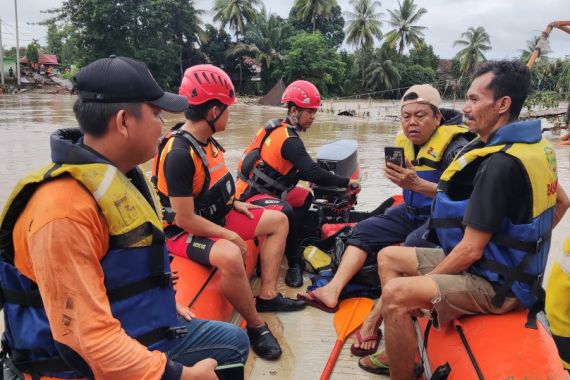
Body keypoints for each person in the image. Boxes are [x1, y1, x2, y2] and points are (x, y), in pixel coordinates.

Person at [0, 56, 249, 380]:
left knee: (234, 340)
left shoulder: (123, 178)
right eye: (157, 114)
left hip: (132, 322)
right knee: (231, 348)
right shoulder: (62, 212)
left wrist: (159, 299)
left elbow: (118, 269)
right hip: (74, 365)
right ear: (123, 122)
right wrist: (183, 375)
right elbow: (87, 341)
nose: (165, 125)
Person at [358, 60, 570, 378]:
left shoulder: (498, 165)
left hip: (496, 286)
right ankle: (398, 351)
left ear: (502, 105)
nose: (464, 108)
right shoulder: (535, 148)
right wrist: (524, 256)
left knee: (396, 293)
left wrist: (422, 292)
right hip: (503, 268)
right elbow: (562, 203)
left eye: (473, 99)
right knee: (388, 256)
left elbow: (470, 250)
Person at [152, 64, 305, 361]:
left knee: (278, 220)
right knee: (230, 254)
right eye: (227, 109)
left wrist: (233, 203)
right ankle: (257, 327)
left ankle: (268, 295)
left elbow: (209, 188)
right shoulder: (179, 155)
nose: (229, 115)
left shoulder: (207, 142)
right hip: (181, 232)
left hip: (213, 216)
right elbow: (183, 218)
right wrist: (230, 235)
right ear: (212, 111)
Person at [297, 85, 473, 339]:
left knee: (410, 245)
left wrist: (418, 185)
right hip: (411, 210)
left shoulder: (456, 149)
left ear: (438, 117)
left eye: (420, 115)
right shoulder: (406, 142)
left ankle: (376, 320)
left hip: (441, 217)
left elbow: (468, 198)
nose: (412, 123)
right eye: (406, 116)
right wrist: (404, 183)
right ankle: (332, 290)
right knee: (364, 230)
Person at [234, 80, 361, 288]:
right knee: (286, 211)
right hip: (250, 195)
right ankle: (294, 262)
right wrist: (347, 182)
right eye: (309, 112)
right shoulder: (289, 140)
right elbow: (311, 171)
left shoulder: (279, 129)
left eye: (314, 112)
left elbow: (285, 168)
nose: (312, 117)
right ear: (294, 110)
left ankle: (287, 241)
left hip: (264, 189)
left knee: (304, 197)